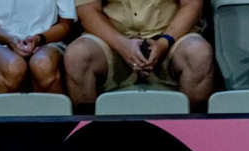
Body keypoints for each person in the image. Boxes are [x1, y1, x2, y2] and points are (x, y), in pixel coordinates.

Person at [63, 0, 217, 110]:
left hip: (170, 38)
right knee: (77, 55)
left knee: (198, 52)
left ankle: (194, 136)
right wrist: (123, 45)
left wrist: (164, 42)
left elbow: (192, 4)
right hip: (113, 39)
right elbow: (88, 10)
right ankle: (86, 135)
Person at [0, 0, 76, 95]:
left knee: (44, 65)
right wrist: (7, 40)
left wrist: (40, 39)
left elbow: (65, 24)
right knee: (12, 68)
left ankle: (51, 116)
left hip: (47, 40)